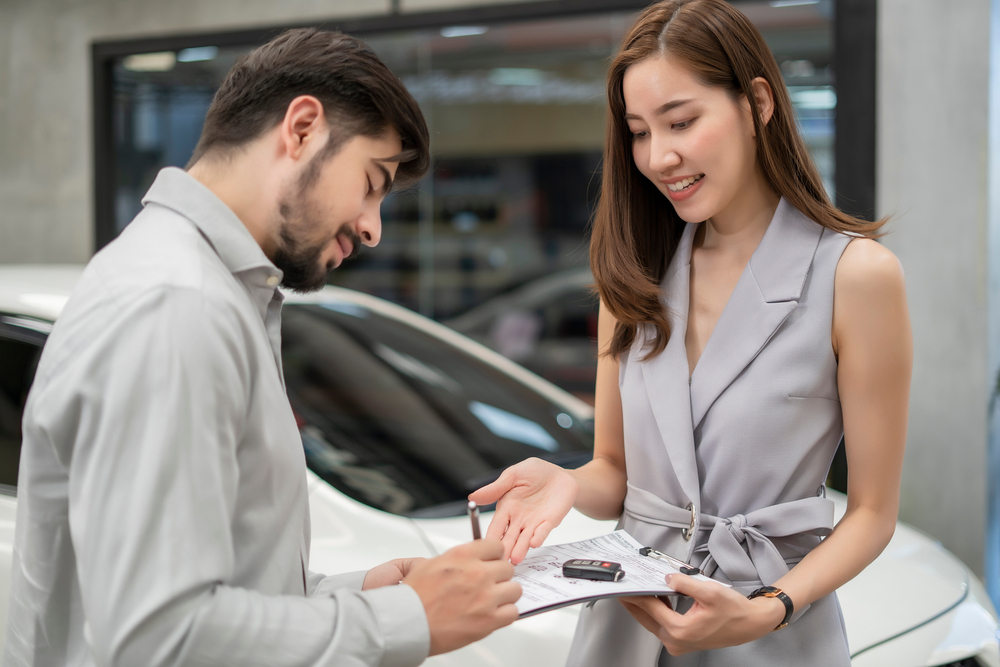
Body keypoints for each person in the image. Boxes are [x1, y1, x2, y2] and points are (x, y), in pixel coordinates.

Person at [4, 28, 520, 667]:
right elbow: (160, 637)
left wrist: (362, 594)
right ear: (301, 128)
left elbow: (221, 594)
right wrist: (404, 619)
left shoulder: (206, 290)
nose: (373, 228)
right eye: (371, 181)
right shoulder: (176, 303)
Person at [470, 1, 911, 665]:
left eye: (681, 122)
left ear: (757, 102)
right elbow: (614, 472)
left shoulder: (857, 276)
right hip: (627, 628)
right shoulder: (632, 276)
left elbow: (873, 513)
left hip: (770, 628)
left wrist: (772, 606)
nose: (658, 156)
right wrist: (565, 482)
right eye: (640, 132)